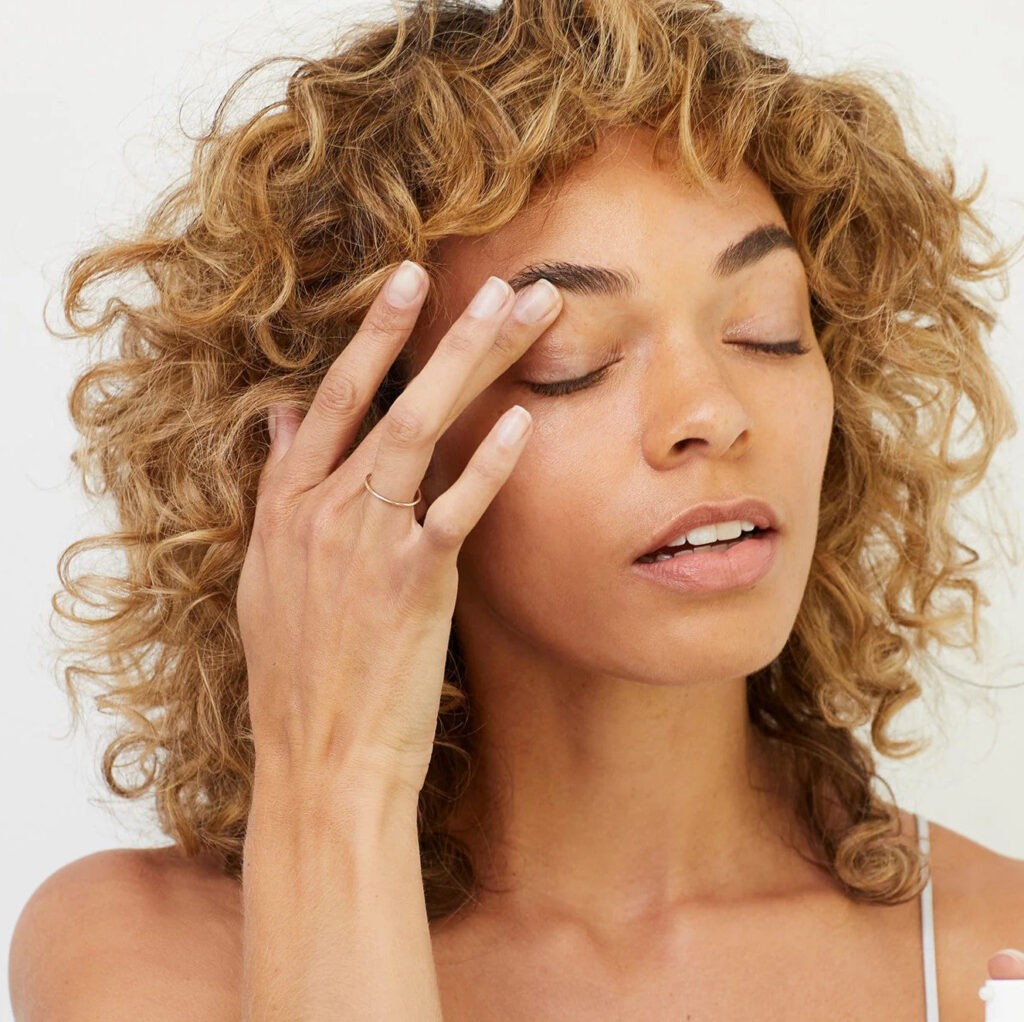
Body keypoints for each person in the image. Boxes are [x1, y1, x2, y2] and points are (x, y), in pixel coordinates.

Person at [8, 0, 1024, 1018]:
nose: (712, 413)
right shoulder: (144, 953)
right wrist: (336, 783)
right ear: (367, 448)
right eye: (570, 360)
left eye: (766, 330)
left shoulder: (993, 947)